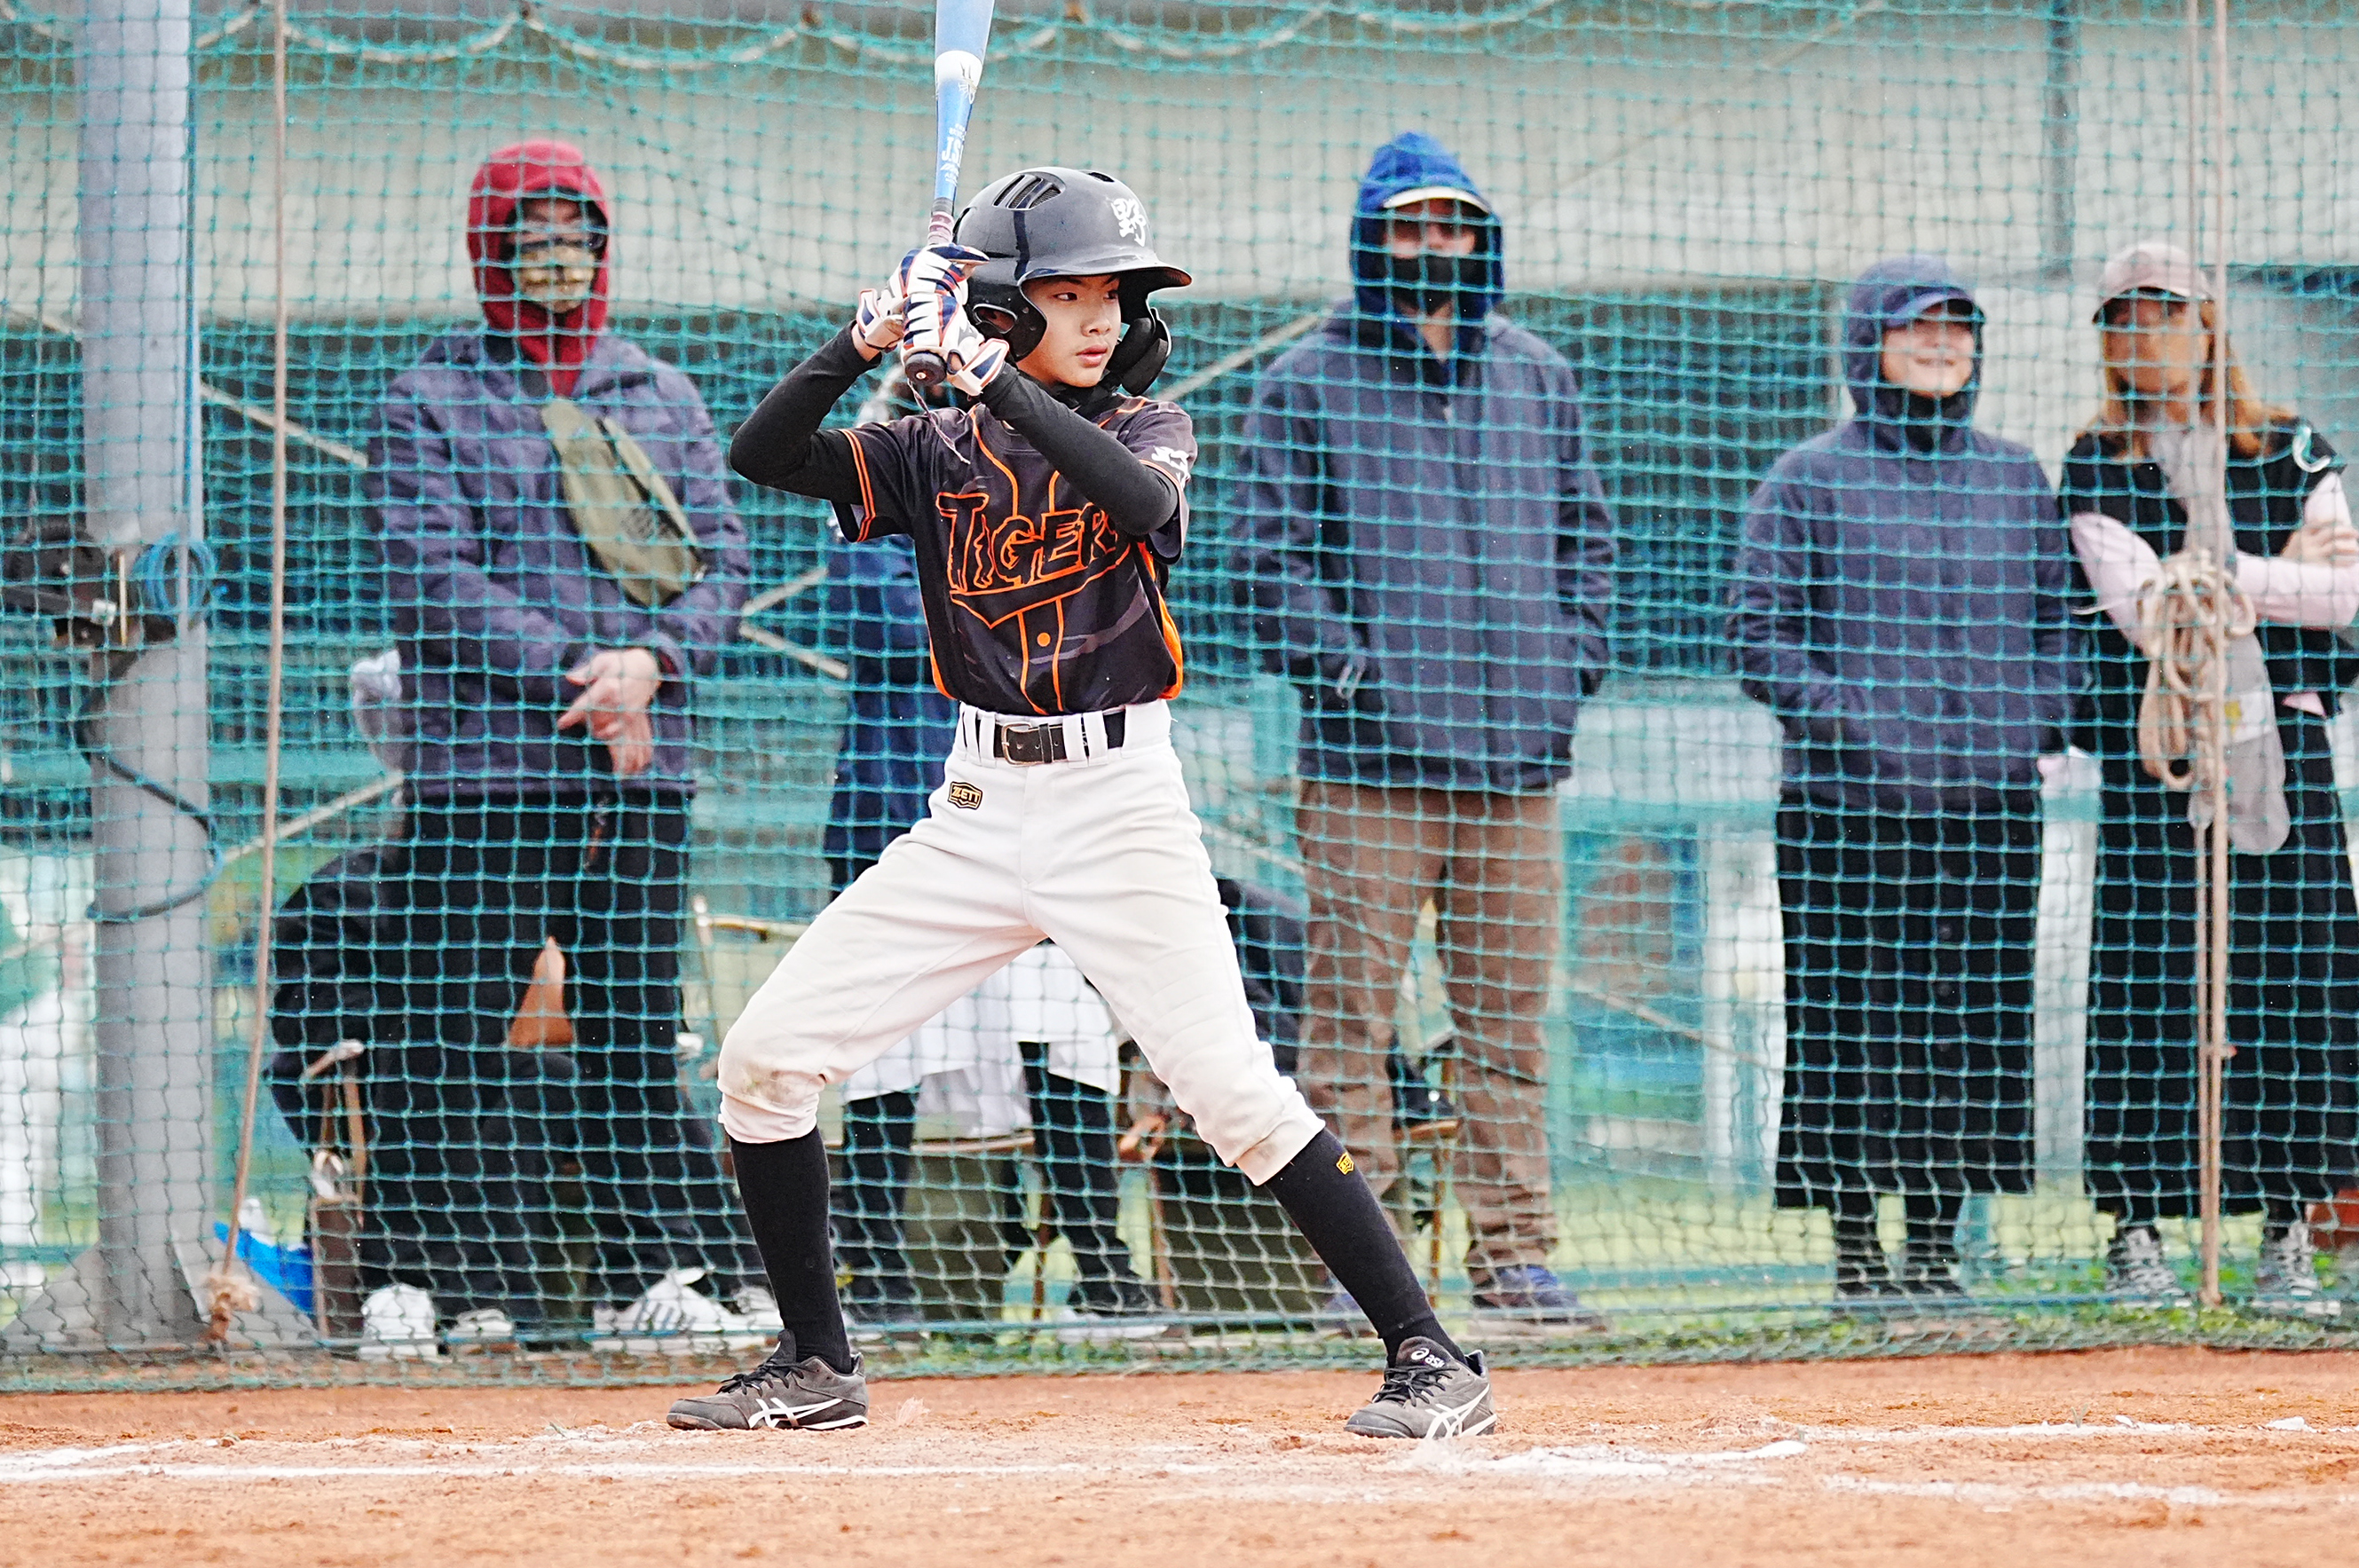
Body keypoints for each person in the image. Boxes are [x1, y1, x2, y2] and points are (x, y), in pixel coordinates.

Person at [670, 164, 1495, 1441]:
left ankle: (1433, 1357)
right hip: (977, 803)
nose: (1101, 316)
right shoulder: (929, 448)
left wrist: (992, 376)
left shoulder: (1150, 425)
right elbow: (761, 454)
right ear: (1004, 307)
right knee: (766, 1058)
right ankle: (816, 1362)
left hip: (1116, 802)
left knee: (1230, 1090)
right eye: (1064, 294)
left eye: (1113, 292)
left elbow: (1145, 506)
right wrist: (864, 338)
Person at [367, 139, 769, 1343]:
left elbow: (722, 561)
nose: (554, 258)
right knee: (449, 1024)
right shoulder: (429, 399)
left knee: (634, 1026)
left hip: (638, 771)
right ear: (488, 251)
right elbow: (428, 575)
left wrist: (651, 664)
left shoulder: (660, 394)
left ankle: (651, 1279)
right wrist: (581, 671)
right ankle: (433, 1283)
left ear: (602, 248)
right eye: (528, 238)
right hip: (483, 770)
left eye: (574, 236)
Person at [1235, 130, 1617, 1325]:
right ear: (1372, 238)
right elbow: (1267, 561)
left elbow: (1589, 543)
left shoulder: (1536, 374)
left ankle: (1516, 1256)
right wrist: (1354, 674)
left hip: (1517, 766)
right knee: (1347, 1024)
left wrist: (1564, 672)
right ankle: (1369, 1270)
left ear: (1478, 239)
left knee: (1506, 1026)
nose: (1432, 244)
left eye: (1451, 224)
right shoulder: (1305, 381)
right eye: (1409, 225)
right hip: (1369, 769)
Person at [1726, 255, 2079, 1306]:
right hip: (1847, 813)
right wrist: (1859, 729)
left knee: (1968, 1031)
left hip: (1988, 813)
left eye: (1958, 328)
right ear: (1867, 344)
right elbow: (1758, 634)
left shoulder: (2015, 476)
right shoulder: (1808, 477)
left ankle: (1935, 1250)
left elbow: (2062, 630)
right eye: (1916, 326)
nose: (1940, 344)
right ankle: (1857, 1257)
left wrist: (2024, 728)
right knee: (1851, 1029)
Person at [2063, 240, 2359, 1312]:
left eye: (2168, 312)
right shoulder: (2098, 462)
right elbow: (2145, 609)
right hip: (2164, 759)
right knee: (2152, 981)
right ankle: (2138, 1228)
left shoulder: (2290, 445)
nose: (2147, 333)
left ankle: (2289, 1229)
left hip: (2286, 752)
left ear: (2207, 323)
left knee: (2295, 982)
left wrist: (2224, 573)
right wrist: (2272, 580)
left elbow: (2344, 597)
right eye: (2126, 318)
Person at [267, 841, 582, 1357]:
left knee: (551, 1077)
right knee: (438, 1074)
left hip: (486, 1060)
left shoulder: (519, 886)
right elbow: (304, 1013)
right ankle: (470, 1299)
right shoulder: (344, 889)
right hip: (369, 1072)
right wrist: (432, 1024)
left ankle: (674, 1283)